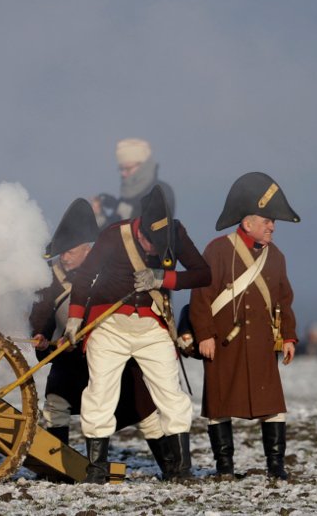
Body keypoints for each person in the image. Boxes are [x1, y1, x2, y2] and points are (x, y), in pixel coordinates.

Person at [66, 185, 211, 483]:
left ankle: (181, 470)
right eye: (148, 242)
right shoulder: (113, 235)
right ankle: (97, 470)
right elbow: (84, 276)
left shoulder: (176, 233)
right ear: (140, 227)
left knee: (171, 395)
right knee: (99, 394)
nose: (152, 249)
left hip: (152, 326)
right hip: (110, 326)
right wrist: (75, 317)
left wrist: (163, 277)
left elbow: (203, 273)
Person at [29, 198, 169, 475]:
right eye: (61, 252)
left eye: (69, 251)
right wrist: (40, 335)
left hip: (116, 355)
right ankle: (58, 469)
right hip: (70, 359)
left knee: (146, 412)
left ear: (88, 250)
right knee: (55, 405)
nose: (64, 257)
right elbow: (42, 312)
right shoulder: (51, 278)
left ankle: (172, 468)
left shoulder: (111, 269)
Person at [189, 172, 299, 480]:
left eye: (272, 222)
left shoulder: (276, 256)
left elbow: (284, 300)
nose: (272, 226)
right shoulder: (217, 250)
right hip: (224, 342)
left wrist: (288, 337)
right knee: (219, 404)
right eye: (267, 221)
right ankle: (224, 467)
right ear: (248, 223)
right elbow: (201, 296)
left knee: (272, 404)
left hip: (262, 343)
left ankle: (276, 466)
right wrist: (205, 335)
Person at [92, 138, 175, 229]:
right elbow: (113, 232)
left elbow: (153, 227)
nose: (123, 173)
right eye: (121, 169)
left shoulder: (161, 191)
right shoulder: (125, 198)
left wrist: (118, 206)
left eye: (128, 168)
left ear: (144, 167)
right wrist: (99, 216)